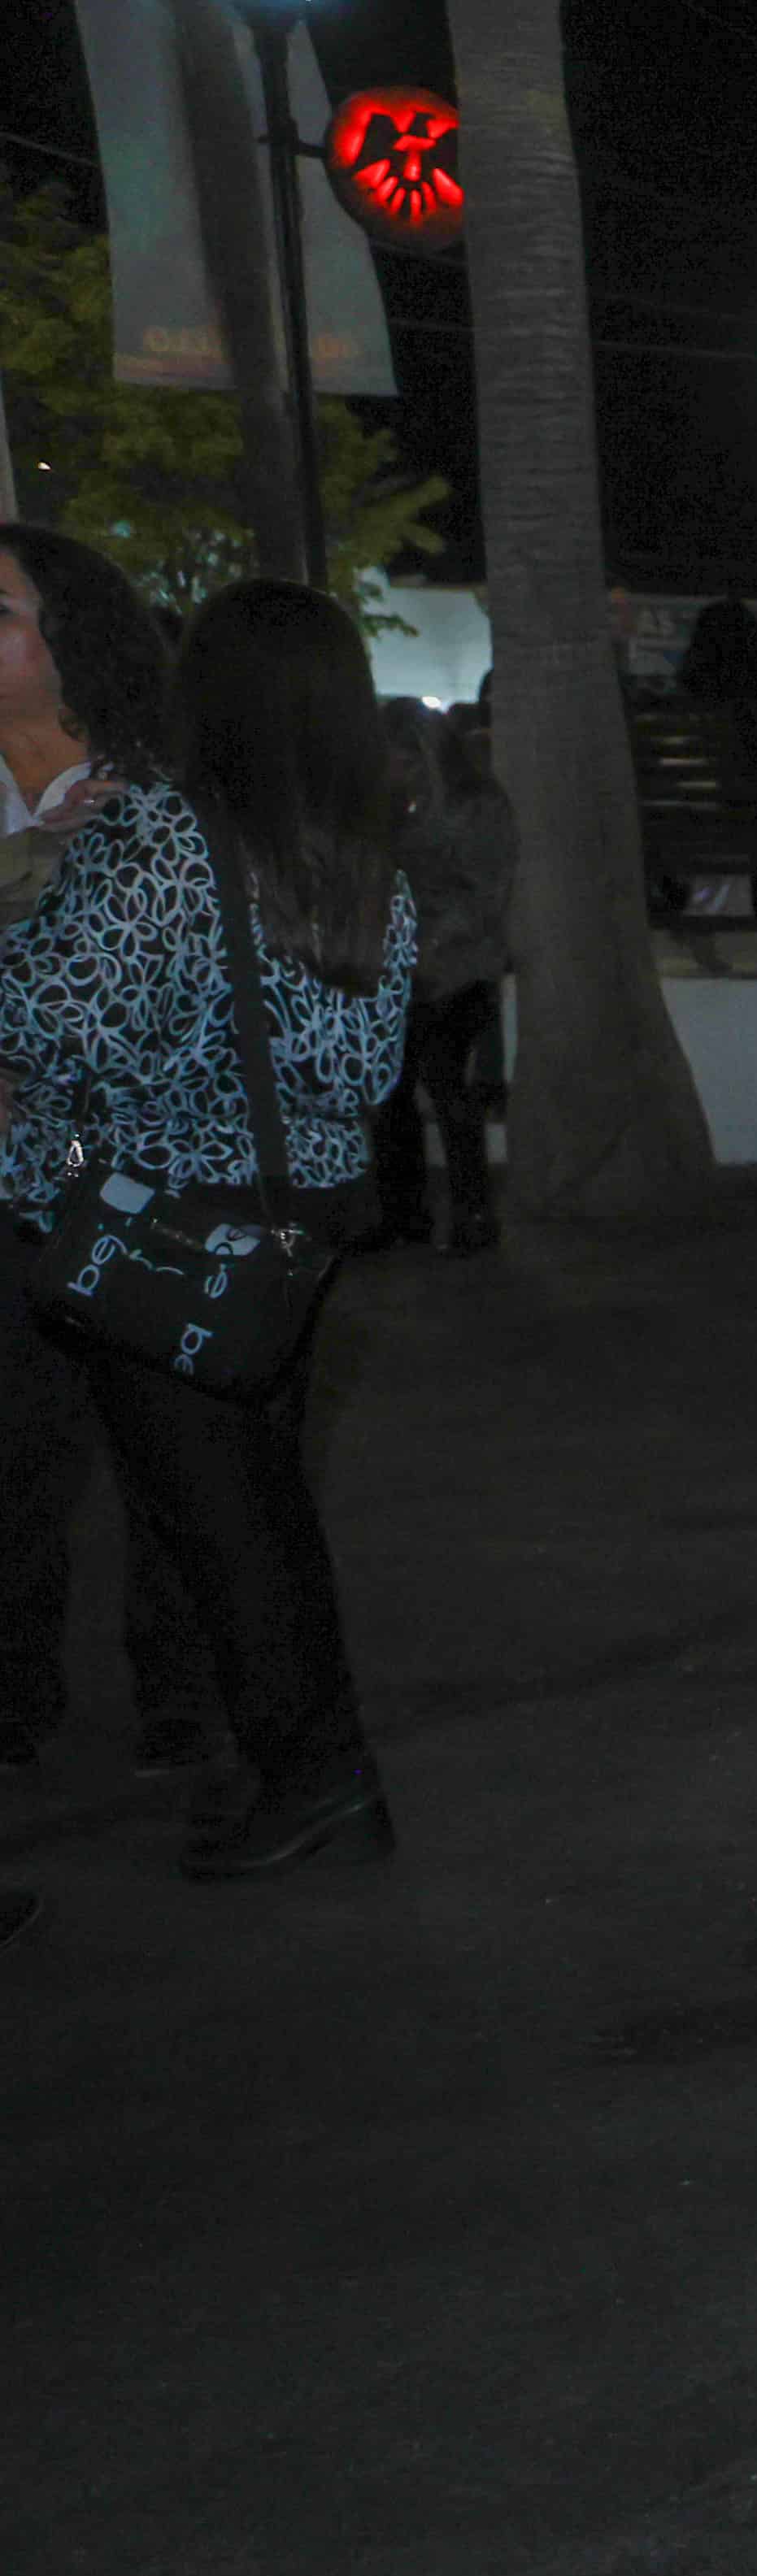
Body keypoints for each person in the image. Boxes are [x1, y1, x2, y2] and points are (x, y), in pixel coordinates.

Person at [0, 580, 421, 1879]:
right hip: (294, 1236)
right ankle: (293, 1768)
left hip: (159, 1235)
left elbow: (48, 1021)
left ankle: (319, 1784)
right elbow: (364, 1072)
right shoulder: (365, 859)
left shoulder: (166, 842)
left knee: (218, 1529)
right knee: (262, 1512)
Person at [0, 522, 211, 1778]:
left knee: (160, 1440)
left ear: (66, 639)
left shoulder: (159, 789)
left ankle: (182, 1699)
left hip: (124, 1161)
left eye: (2, 610)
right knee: (16, 1448)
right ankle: (14, 1696)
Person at [376, 701, 512, 1254]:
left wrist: (429, 944)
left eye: (401, 761)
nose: (391, 771)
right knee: (394, 1092)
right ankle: (407, 1214)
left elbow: (485, 895)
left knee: (446, 1085)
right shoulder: (399, 804)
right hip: (406, 962)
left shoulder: (476, 805)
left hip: (460, 965)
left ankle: (471, 1213)